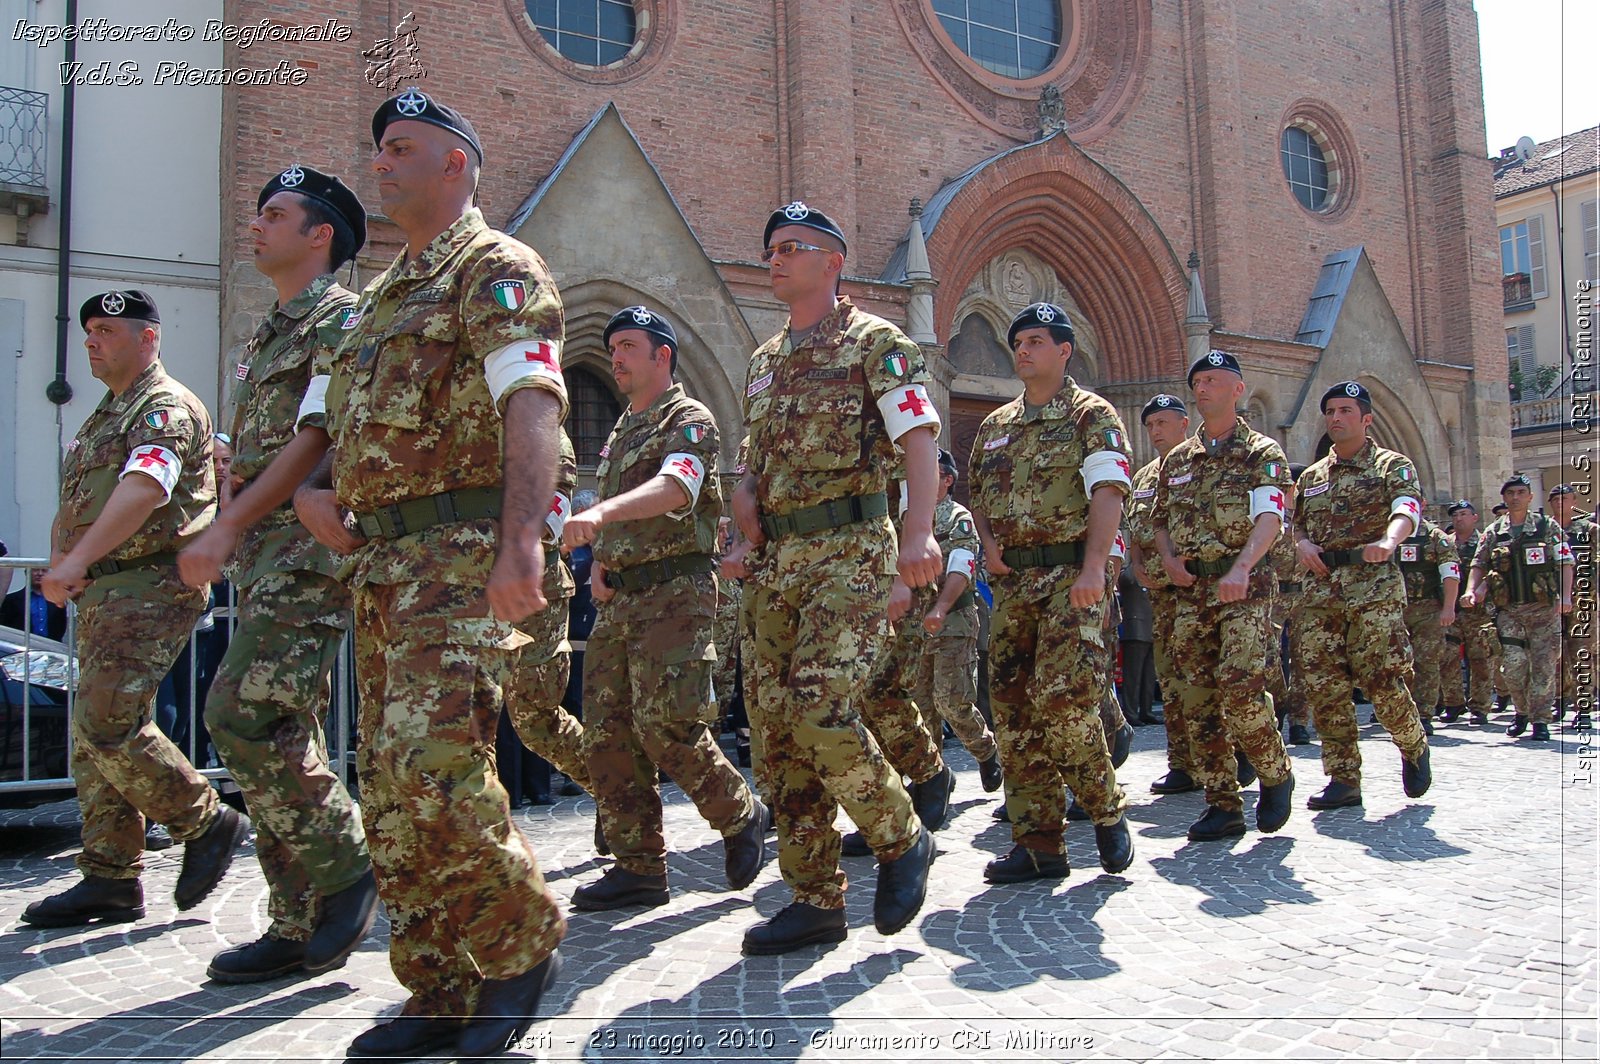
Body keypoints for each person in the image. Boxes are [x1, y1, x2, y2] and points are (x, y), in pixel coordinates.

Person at [293, 91, 564, 1060]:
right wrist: (310, 493)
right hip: (383, 564)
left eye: (401, 148)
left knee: (433, 759)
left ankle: (518, 940)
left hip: (456, 551)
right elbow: (324, 431)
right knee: (389, 783)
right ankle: (437, 982)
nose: (381, 164)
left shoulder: (494, 270)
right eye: (378, 150)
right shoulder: (374, 302)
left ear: (456, 163)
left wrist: (520, 541)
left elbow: (531, 402)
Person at [175, 165, 376, 984]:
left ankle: (348, 866)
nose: (255, 224)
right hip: (263, 546)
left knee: (243, 713)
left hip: (298, 545)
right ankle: (296, 921)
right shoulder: (270, 331)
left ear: (319, 234)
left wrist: (231, 520)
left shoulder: (338, 318)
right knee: (289, 728)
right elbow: (271, 440)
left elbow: (318, 439)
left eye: (275, 213)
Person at [727, 202, 937, 955]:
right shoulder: (764, 358)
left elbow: (917, 439)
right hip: (774, 562)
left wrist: (917, 535)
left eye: (793, 247)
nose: (776, 259)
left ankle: (899, 833)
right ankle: (814, 898)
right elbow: (754, 454)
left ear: (833, 262)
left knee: (821, 707)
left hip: (850, 549)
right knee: (777, 733)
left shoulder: (876, 343)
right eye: (771, 248)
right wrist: (742, 491)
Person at [23, 290, 250, 930]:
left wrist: (73, 560)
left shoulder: (163, 406)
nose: (92, 340)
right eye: (89, 330)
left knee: (106, 722)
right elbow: (83, 499)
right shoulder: (108, 412)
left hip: (148, 584)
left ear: (147, 337)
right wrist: (67, 559)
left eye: (107, 330)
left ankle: (204, 820)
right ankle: (109, 876)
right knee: (92, 734)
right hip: (107, 589)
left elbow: (146, 489)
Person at [561, 306, 767, 911]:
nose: (616, 358)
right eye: (612, 348)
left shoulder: (691, 419)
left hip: (677, 592)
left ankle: (738, 812)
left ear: (663, 357)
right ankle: (639, 865)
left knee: (667, 726)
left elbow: (677, 487)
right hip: (622, 595)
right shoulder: (625, 426)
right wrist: (602, 558)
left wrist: (599, 515)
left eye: (628, 346)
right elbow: (622, 503)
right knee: (608, 735)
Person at [967, 301, 1135, 883]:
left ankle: (1105, 809)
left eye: (1037, 340)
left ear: (1064, 352)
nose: (1023, 350)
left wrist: (1095, 569)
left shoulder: (1094, 416)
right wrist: (987, 547)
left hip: (1072, 580)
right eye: (1019, 341)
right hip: (1014, 584)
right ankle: (1039, 842)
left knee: (1063, 702)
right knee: (1012, 711)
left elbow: (1109, 492)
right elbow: (980, 500)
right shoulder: (995, 427)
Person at [1152, 350, 1294, 840]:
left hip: (1245, 590)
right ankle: (1222, 804)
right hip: (1192, 593)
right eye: (1198, 381)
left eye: (1214, 380)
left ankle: (1275, 770)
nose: (1204, 388)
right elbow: (1160, 520)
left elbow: (1270, 518)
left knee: (1240, 689)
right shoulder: (1178, 460)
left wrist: (1241, 567)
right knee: (1198, 699)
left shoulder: (1262, 454)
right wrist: (1169, 559)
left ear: (1238, 388)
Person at [1293, 381, 1432, 809]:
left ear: (1366, 419)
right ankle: (1343, 778)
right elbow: (1294, 522)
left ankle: (1412, 744)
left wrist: (1389, 541)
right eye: (1331, 411)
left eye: (1346, 410)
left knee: (1382, 681)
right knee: (1325, 685)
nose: (1336, 418)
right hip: (1321, 592)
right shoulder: (1313, 476)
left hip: (1373, 588)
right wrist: (1300, 544)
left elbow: (1407, 506)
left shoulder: (1392, 465)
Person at [503, 429, 594, 808]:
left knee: (536, 718)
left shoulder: (543, 427)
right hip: (459, 587)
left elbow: (555, 512)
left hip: (533, 594)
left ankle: (621, 796)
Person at [1461, 475, 1574, 741]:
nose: (1515, 497)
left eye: (1521, 492)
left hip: (1543, 609)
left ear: (1530, 497)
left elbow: (1565, 562)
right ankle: (1522, 711)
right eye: (1510, 493)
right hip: (1509, 610)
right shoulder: (1494, 532)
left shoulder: (1547, 527)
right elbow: (1479, 564)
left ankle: (1540, 721)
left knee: (1544, 668)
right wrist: (1470, 590)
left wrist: (1565, 597)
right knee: (1513, 666)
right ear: (1504, 497)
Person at [1127, 394, 1200, 794]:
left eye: (1162, 423)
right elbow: (1137, 524)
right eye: (1150, 425)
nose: (1155, 431)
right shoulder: (1144, 477)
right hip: (1160, 592)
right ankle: (1182, 763)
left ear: (1183, 424)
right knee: (1171, 678)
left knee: (1205, 675)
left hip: (1196, 589)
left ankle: (1234, 753)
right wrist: (1137, 563)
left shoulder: (1201, 464)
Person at [917, 449, 1002, 789]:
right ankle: (933, 778)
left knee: (951, 700)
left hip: (953, 620)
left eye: (931, 471)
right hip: (915, 625)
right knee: (920, 706)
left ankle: (985, 749)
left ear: (947, 480)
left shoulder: (957, 517)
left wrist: (940, 607)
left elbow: (963, 565)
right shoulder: (911, 516)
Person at [1395, 513, 1460, 737]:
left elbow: (1450, 573)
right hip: (1395, 609)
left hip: (1428, 610)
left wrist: (1449, 607)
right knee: (1395, 662)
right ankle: (1398, 709)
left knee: (1427, 661)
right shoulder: (1388, 533)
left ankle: (1424, 714)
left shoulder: (1436, 537)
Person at [1438, 500, 1500, 727]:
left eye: (1464, 514)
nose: (1458, 519)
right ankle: (1453, 703)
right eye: (1455, 516)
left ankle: (1479, 707)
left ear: (1474, 517)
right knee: (1447, 656)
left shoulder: (1486, 542)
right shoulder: (1446, 544)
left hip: (1479, 613)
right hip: (1451, 611)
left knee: (1481, 660)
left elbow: (1496, 569)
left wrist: (1482, 588)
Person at [1547, 484, 1594, 730]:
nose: (1559, 503)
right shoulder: (1544, 530)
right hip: (1549, 603)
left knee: (1580, 654)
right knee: (1553, 655)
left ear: (1573, 500)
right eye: (1555, 499)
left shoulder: (1589, 530)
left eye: (1565, 498)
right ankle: (1558, 699)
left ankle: (1583, 707)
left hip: (1582, 603)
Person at [2, 568, 68, 641]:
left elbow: (60, 628)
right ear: (26, 573)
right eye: (35, 570)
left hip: (50, 647)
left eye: (44, 571)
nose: (40, 573)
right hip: (20, 646)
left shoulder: (57, 601)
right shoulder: (10, 600)